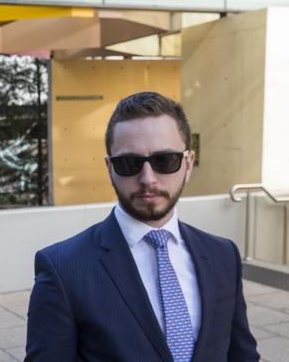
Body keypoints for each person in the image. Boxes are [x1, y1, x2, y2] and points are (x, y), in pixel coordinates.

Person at [26, 92, 259, 361]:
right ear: (109, 168)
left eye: (165, 161)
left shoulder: (223, 255)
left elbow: (242, 355)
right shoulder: (63, 269)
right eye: (128, 163)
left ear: (188, 163)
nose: (148, 178)